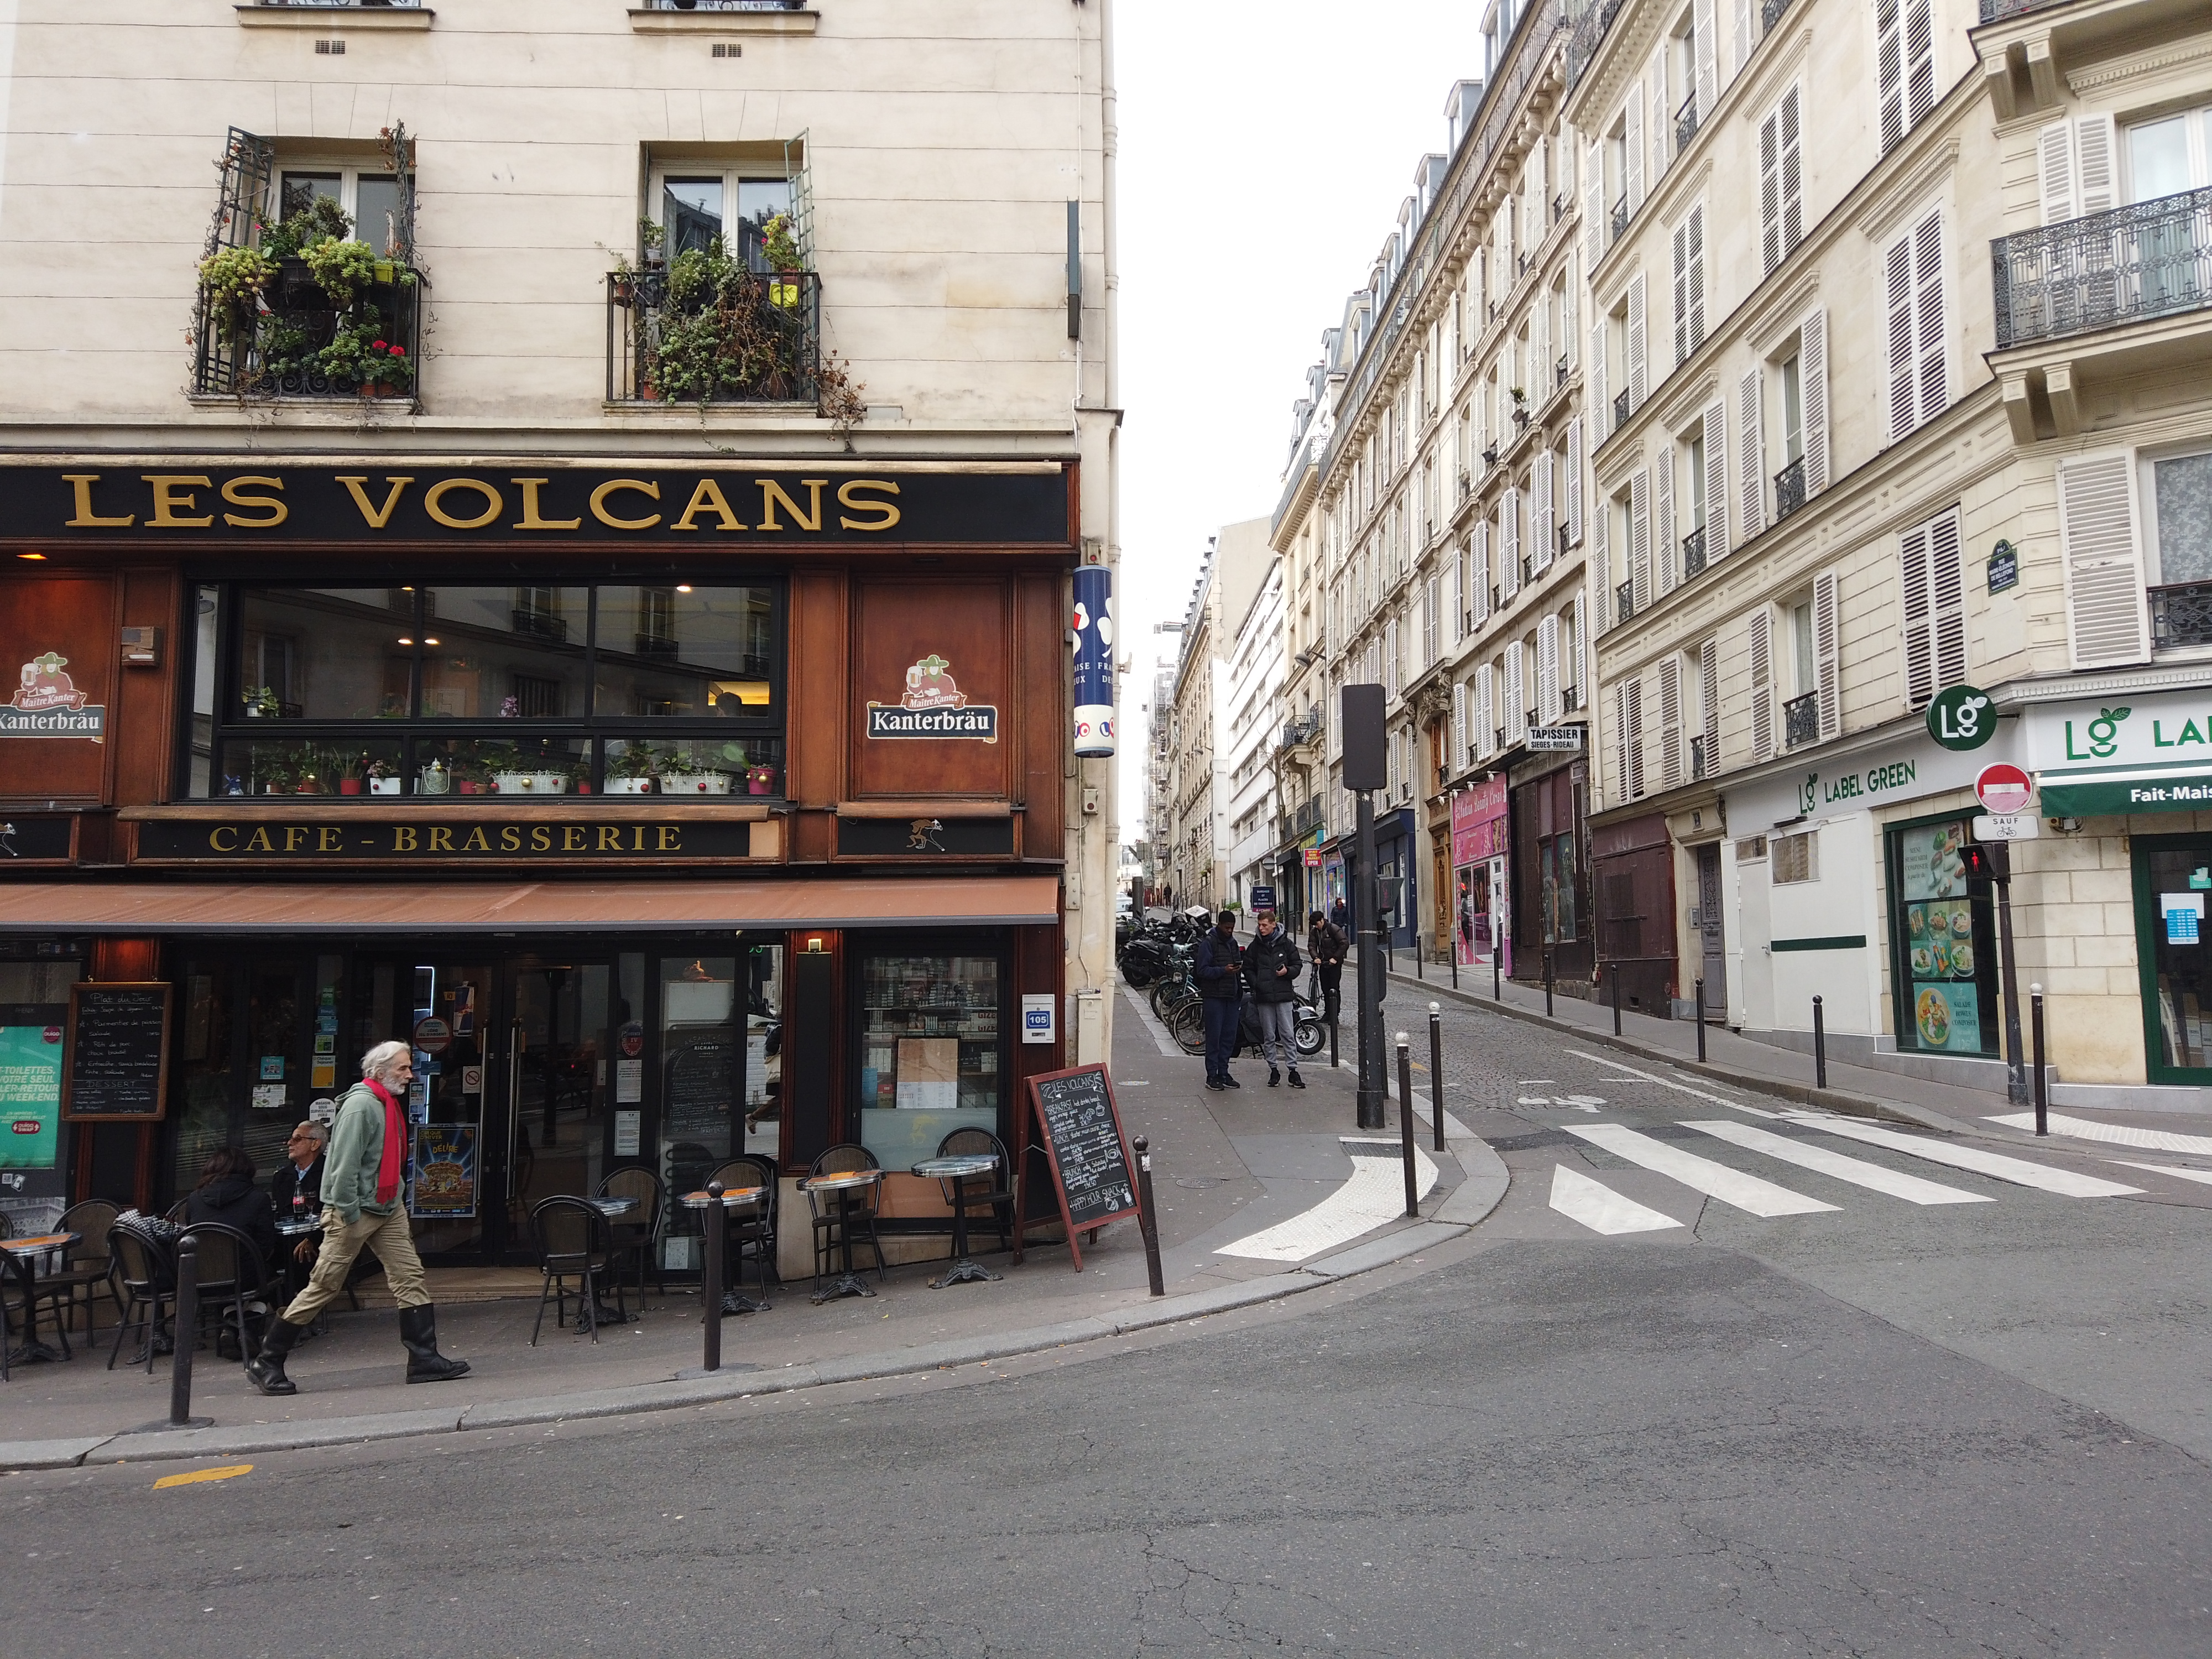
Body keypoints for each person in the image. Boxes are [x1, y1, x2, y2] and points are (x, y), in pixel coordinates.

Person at [247, 1040, 470, 1395]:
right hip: (356, 1210)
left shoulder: (385, 1102)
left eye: (409, 1067)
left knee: (409, 1276)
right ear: (379, 1071)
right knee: (326, 1285)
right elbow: (343, 1166)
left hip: (387, 1207)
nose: (410, 1074)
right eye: (403, 1068)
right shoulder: (362, 1106)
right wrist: (348, 1212)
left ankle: (424, 1359)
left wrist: (393, 1197)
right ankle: (268, 1360)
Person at [1243, 912, 1304, 1088]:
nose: (1261, 928)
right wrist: (1256, 984)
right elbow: (1248, 968)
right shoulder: (1256, 946)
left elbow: (1297, 964)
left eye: (1264, 925)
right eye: (1259, 925)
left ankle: (1293, 1071)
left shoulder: (1285, 944)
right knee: (1268, 1035)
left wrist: (1288, 972)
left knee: (1287, 1034)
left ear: (1273, 925)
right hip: (1264, 996)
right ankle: (1273, 1070)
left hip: (1283, 994)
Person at [186, 1145, 278, 1260]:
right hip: (247, 1273)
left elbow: (190, 1238)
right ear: (247, 1169)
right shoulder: (259, 1199)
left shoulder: (194, 1199)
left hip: (201, 1273)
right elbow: (266, 1246)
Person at [1194, 909, 1245, 1091]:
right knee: (1214, 1038)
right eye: (1227, 928)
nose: (1230, 931)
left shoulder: (1233, 943)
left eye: (1232, 928)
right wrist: (1224, 970)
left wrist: (1237, 973)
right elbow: (1202, 970)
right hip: (1214, 996)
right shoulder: (1209, 943)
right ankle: (1212, 1075)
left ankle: (1224, 1072)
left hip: (1231, 996)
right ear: (1219, 925)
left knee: (1228, 1038)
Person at [1309, 909, 1347, 1026]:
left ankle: (1335, 1015)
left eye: (1317, 924)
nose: (1316, 926)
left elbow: (1344, 943)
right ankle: (1327, 1014)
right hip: (1324, 964)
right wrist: (1316, 957)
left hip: (1335, 965)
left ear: (1322, 920)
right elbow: (1312, 945)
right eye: (1314, 925)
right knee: (1325, 989)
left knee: (1334, 989)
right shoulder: (1314, 931)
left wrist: (1335, 958)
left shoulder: (1333, 929)